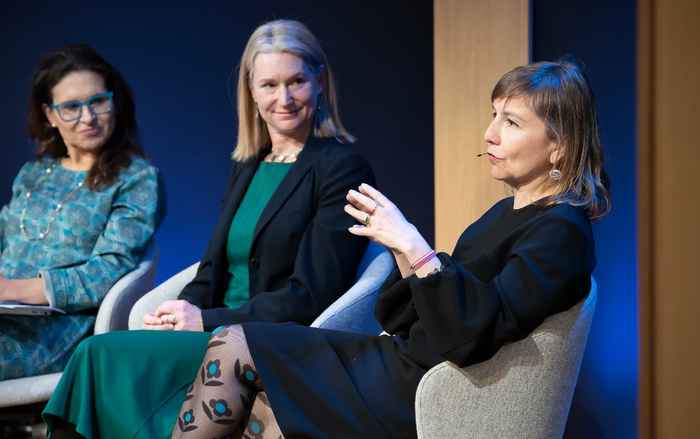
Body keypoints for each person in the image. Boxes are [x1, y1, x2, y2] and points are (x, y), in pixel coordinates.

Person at [160, 59, 611, 438]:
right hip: (399, 361)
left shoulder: (561, 231)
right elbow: (411, 317)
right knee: (251, 383)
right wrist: (402, 253)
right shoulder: (505, 212)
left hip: (425, 387)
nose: (490, 134)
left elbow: (472, 335)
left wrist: (415, 248)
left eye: (510, 123)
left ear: (560, 147)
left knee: (237, 345)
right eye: (493, 116)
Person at [43, 19, 374, 438]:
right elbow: (214, 267)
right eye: (269, 85)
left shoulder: (342, 169)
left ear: (319, 81)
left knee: (98, 355)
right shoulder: (248, 166)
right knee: (98, 356)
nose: (284, 99)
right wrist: (179, 311)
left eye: (297, 82)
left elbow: (311, 296)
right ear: (251, 93)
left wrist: (204, 318)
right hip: (214, 328)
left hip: (257, 341)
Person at [0, 45, 160, 381]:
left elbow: (109, 270)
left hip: (58, 327)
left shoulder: (137, 178)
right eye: (71, 107)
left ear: (114, 101)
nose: (87, 117)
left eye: (98, 102)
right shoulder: (33, 172)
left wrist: (11, 289)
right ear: (49, 115)